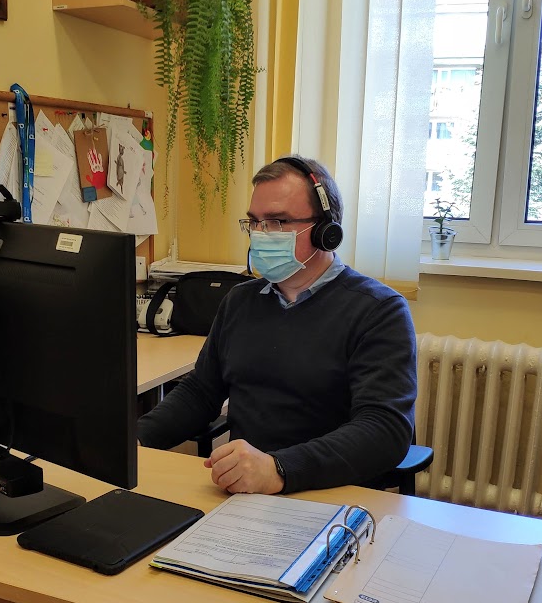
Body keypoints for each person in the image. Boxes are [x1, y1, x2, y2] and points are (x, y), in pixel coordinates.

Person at [137, 155, 417, 495]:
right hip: (246, 493)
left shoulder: (379, 310)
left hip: (332, 492)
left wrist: (279, 469)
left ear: (326, 231)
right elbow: (201, 392)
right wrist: (137, 438)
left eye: (278, 221)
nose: (261, 234)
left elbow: (385, 430)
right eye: (254, 222)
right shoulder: (240, 300)